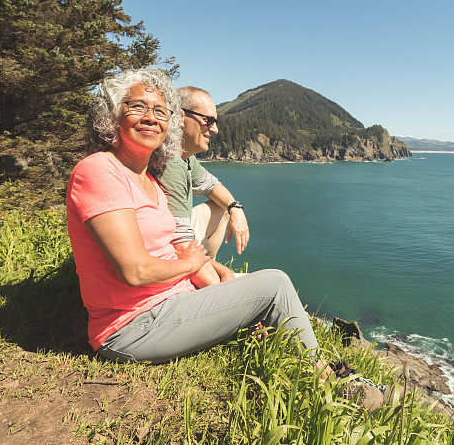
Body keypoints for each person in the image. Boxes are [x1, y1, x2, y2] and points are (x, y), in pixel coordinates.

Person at [65, 68, 324, 366]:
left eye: (161, 112)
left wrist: (209, 263)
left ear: (170, 124)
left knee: (256, 287)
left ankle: (301, 359)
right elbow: (134, 271)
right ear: (112, 115)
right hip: (131, 326)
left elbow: (166, 247)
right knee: (275, 283)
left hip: (173, 301)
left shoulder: (148, 180)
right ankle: (325, 377)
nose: (151, 117)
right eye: (137, 107)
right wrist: (194, 263)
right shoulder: (99, 170)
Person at [155, 86, 249, 287]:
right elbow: (180, 242)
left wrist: (236, 208)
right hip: (172, 248)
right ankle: (203, 282)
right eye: (208, 121)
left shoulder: (185, 157)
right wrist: (225, 293)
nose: (214, 129)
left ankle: (208, 267)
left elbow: (212, 186)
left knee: (223, 208)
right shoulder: (170, 163)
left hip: (179, 237)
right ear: (180, 117)